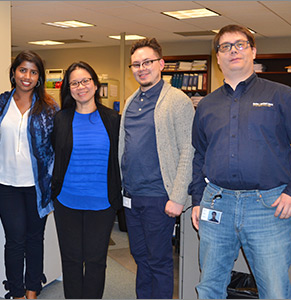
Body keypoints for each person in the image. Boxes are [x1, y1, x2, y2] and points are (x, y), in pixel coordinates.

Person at [188, 24, 291, 299]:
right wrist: (197, 199)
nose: (233, 51)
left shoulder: (281, 96)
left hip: (267, 207)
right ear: (217, 57)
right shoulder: (206, 105)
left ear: (253, 51)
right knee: (209, 287)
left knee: (274, 290)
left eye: (240, 44)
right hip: (217, 204)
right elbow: (200, 155)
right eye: (225, 47)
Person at [119, 38, 194, 299]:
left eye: (147, 62)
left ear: (161, 64)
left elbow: (189, 150)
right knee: (140, 257)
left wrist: (178, 197)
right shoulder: (130, 102)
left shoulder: (177, 100)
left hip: (159, 197)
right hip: (131, 196)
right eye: (136, 64)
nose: (141, 68)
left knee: (159, 261)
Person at [51, 61, 122, 299]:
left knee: (95, 262)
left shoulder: (112, 119)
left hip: (102, 203)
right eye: (74, 82)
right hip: (67, 201)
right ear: (68, 88)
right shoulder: (61, 119)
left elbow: (118, 160)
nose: (80, 87)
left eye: (85, 81)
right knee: (70, 261)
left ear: (95, 84)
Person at [0, 50, 58, 299]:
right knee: (14, 239)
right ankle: (17, 292)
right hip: (4, 183)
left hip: (37, 185)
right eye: (22, 70)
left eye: (33, 72)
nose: (27, 76)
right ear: (13, 73)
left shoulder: (49, 108)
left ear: (39, 77)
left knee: (34, 238)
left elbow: (57, 147)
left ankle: (32, 290)